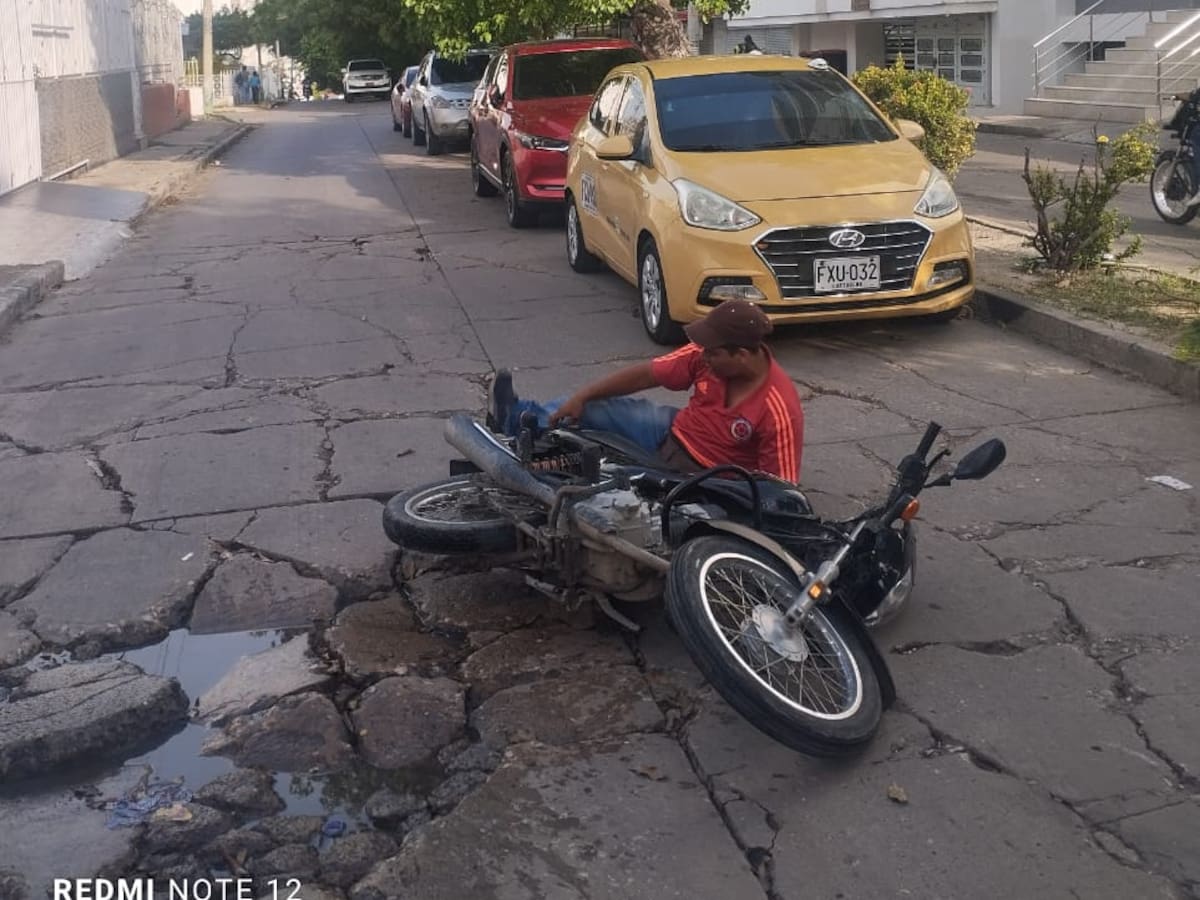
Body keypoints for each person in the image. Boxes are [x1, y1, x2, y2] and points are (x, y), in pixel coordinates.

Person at [490, 299, 804, 483]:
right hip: (670, 432)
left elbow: (781, 489)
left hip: (707, 479)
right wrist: (582, 397)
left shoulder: (779, 409)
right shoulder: (705, 355)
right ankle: (516, 419)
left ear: (743, 355)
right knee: (595, 409)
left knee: (614, 496)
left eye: (713, 353)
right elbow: (645, 375)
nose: (702, 355)